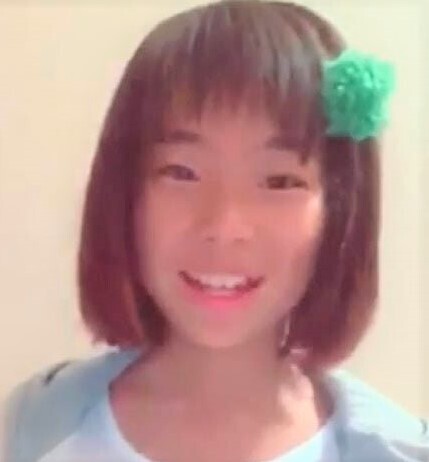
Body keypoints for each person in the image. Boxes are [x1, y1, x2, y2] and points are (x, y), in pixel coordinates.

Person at [2, 1, 428, 461]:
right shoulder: (31, 430)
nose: (225, 227)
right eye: (181, 172)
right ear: (123, 193)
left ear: (340, 211)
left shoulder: (394, 450)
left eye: (279, 181)